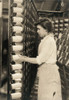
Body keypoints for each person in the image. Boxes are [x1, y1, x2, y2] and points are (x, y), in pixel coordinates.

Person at [12, 18, 62, 100]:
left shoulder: (49, 41)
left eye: (39, 29)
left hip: (49, 74)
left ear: (45, 29)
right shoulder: (45, 40)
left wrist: (24, 59)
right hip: (46, 72)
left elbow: (38, 60)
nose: (37, 31)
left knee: (48, 97)